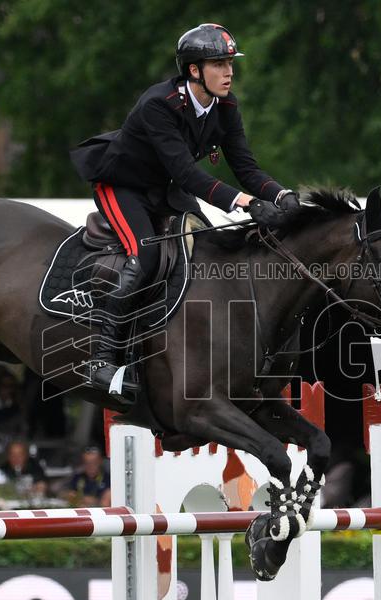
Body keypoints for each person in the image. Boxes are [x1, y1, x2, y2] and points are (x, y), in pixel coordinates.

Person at [70, 23, 300, 401]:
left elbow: (246, 168)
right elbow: (188, 174)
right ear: (194, 70)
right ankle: (101, 359)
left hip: (165, 189)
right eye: (218, 64)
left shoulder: (226, 107)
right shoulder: (158, 105)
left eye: (230, 63)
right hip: (122, 185)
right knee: (144, 256)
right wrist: (246, 203)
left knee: (208, 250)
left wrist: (282, 196)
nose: (228, 72)